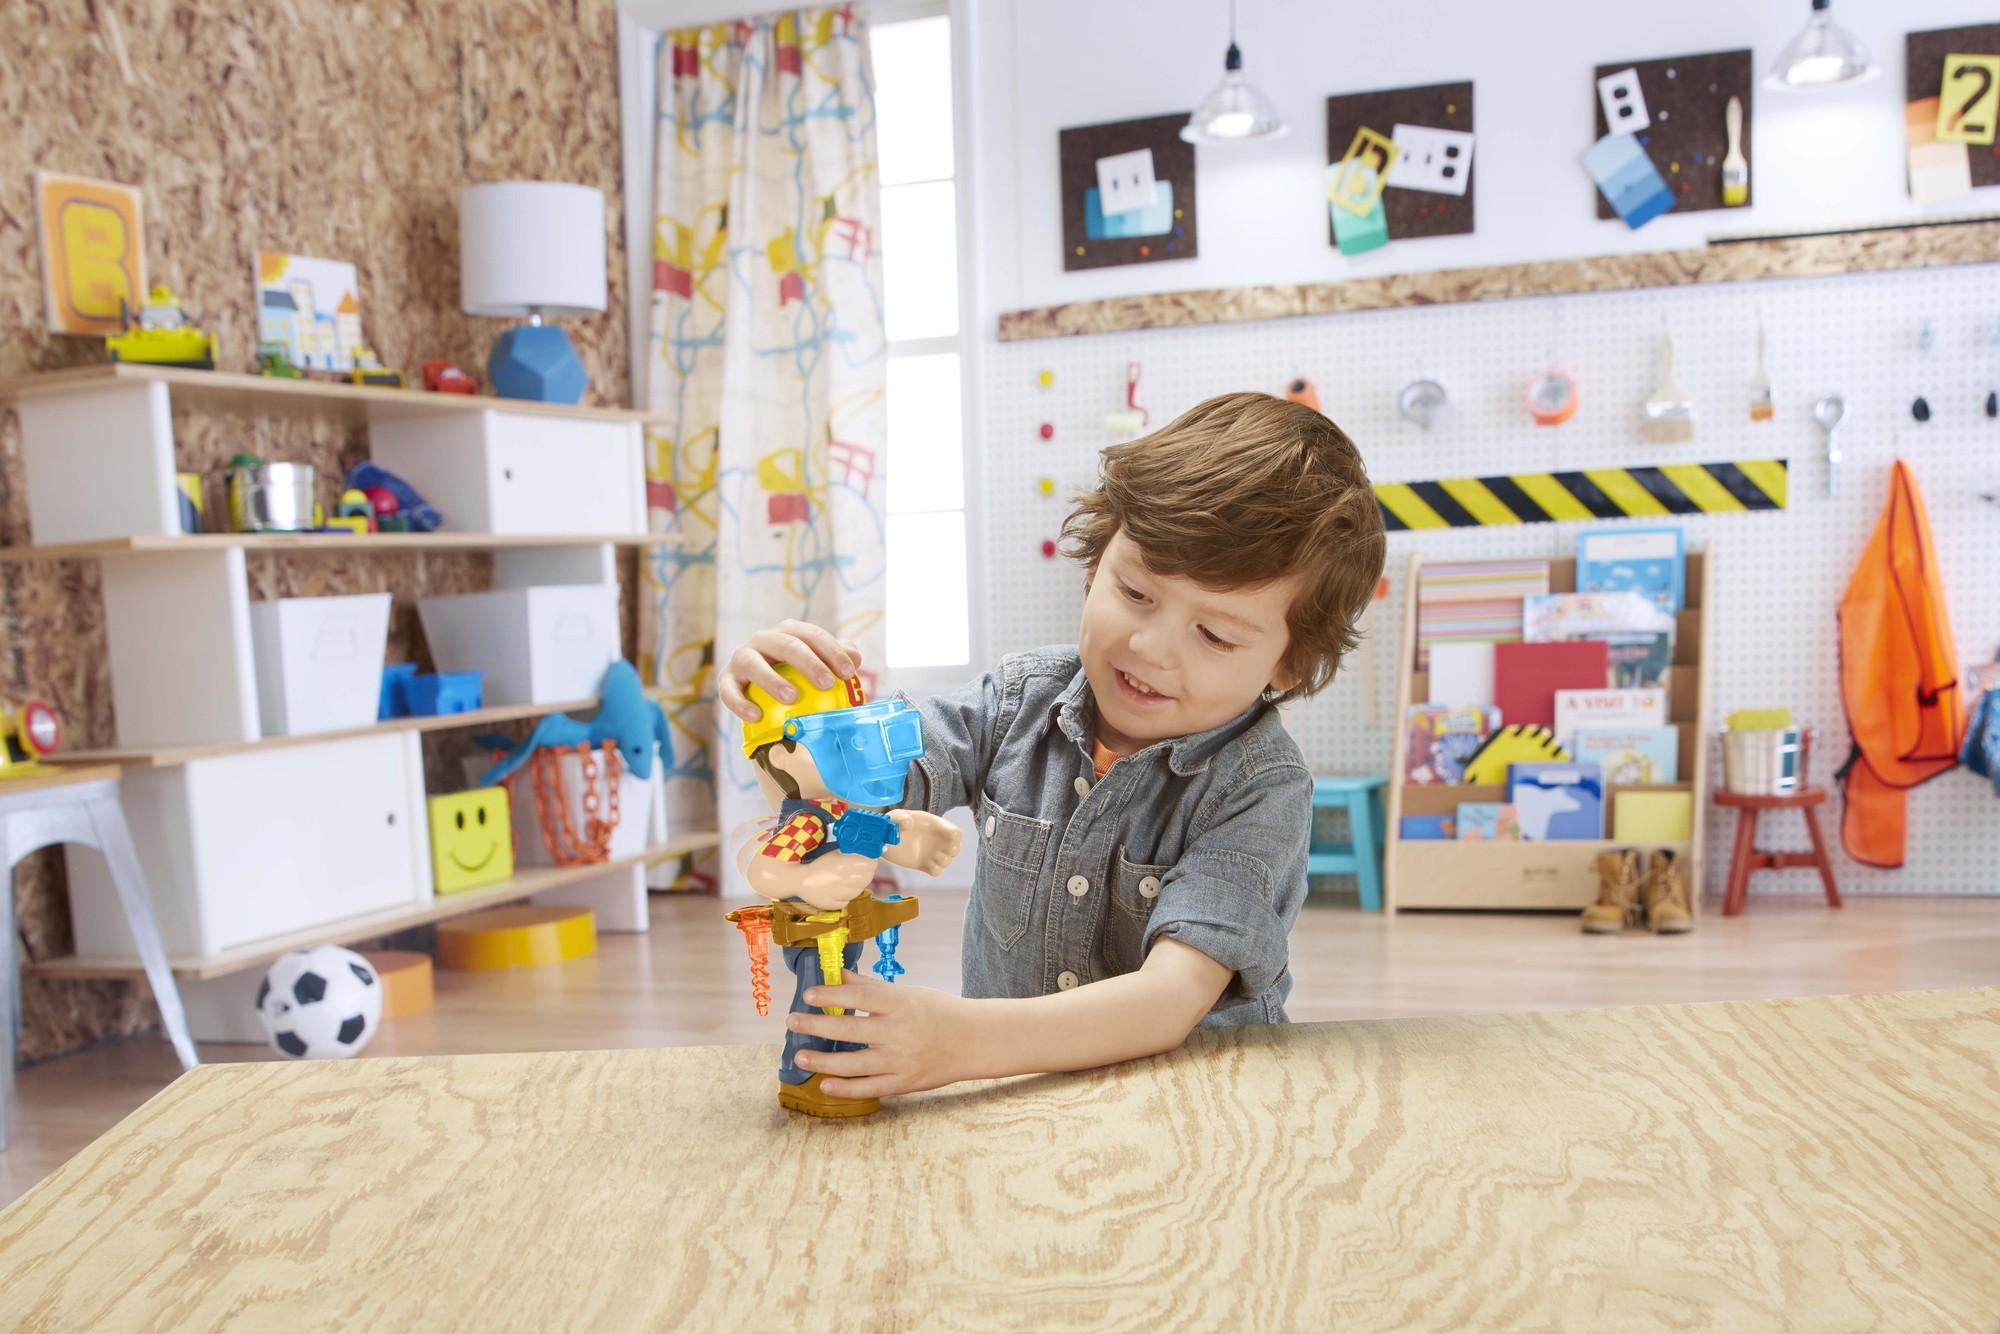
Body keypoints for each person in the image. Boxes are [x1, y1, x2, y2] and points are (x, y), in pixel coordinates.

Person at [718, 391, 1386, 1109]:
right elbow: (833, 788)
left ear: (1289, 664)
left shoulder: (1260, 786)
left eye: (1215, 636)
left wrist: (956, 1041)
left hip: (1191, 1107)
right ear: (1098, 561)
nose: (1150, 646)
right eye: (1135, 592)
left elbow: (1169, 1000)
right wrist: (779, 716)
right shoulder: (1014, 702)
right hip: (1013, 1095)